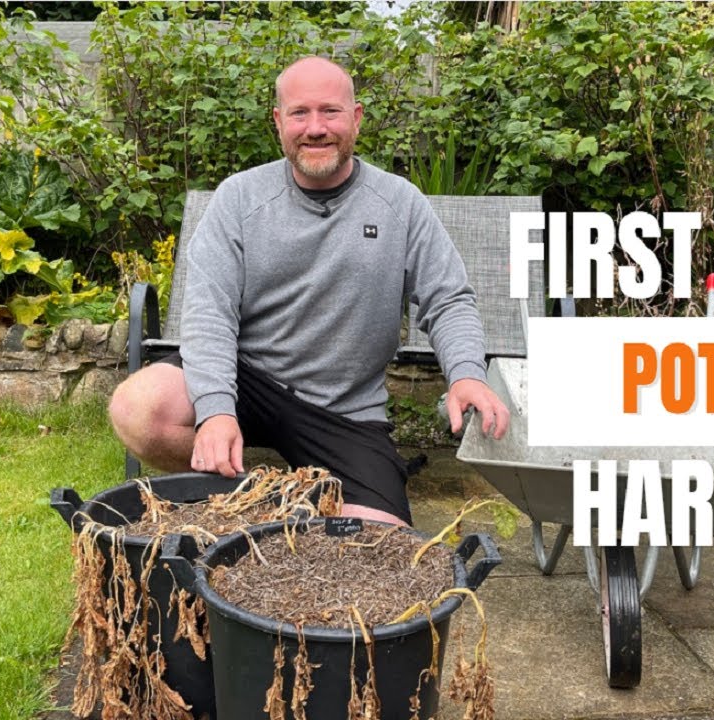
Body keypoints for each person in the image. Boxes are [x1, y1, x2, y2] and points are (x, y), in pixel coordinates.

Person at [109, 56, 509, 526]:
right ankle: (260, 494)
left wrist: (466, 374)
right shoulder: (239, 199)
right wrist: (216, 409)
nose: (315, 128)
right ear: (278, 122)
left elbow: (448, 300)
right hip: (250, 384)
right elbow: (209, 312)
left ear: (356, 118)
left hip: (345, 408)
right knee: (137, 408)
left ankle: (285, 499)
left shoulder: (400, 203)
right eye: (300, 113)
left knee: (382, 541)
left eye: (330, 112)